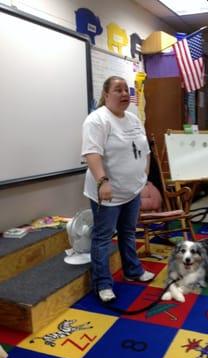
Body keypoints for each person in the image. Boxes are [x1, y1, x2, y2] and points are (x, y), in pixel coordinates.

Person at [81, 76, 155, 302]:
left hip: (131, 190)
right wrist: (103, 182)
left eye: (126, 90)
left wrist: (143, 177)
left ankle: (133, 271)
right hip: (107, 193)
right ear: (106, 94)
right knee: (103, 238)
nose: (124, 94)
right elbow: (91, 153)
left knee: (129, 232)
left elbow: (145, 150)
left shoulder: (133, 119)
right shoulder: (97, 120)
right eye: (118, 90)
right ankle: (102, 284)